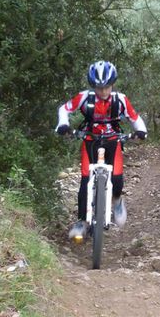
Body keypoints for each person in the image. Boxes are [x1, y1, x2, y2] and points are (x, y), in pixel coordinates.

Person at [55, 60, 147, 242]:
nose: (103, 91)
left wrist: (141, 131)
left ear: (112, 84)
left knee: (117, 177)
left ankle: (117, 200)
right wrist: (63, 124)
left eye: (107, 87)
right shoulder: (84, 98)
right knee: (84, 181)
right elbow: (64, 109)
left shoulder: (119, 100)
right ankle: (82, 221)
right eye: (99, 87)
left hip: (113, 141)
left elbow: (134, 118)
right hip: (90, 140)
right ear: (93, 86)